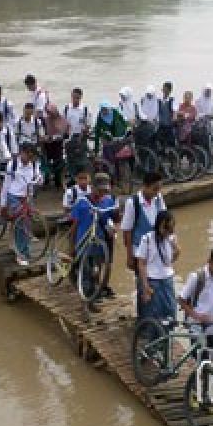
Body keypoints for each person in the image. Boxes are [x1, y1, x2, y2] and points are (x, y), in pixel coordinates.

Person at [177, 244, 213, 364]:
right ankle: (198, 381)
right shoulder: (197, 277)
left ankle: (209, 380)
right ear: (210, 262)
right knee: (201, 361)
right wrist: (197, 316)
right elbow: (181, 300)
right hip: (197, 326)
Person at [69, 172, 120, 302]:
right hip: (84, 242)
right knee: (86, 270)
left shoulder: (109, 201)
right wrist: (72, 246)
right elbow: (74, 225)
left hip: (99, 242)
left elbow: (112, 219)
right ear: (92, 188)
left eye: (105, 190)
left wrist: (114, 222)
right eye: (100, 190)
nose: (102, 193)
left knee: (97, 267)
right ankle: (88, 299)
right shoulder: (82, 202)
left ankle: (97, 288)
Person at [0, 142, 45, 266]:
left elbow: (39, 177)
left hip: (27, 197)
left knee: (24, 222)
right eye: (27, 155)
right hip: (13, 195)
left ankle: (13, 244)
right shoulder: (13, 165)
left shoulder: (35, 164)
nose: (29, 159)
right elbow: (6, 185)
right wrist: (3, 204)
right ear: (21, 153)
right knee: (21, 223)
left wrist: (40, 179)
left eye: (32, 156)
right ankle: (22, 254)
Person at [134, 210, 179, 320]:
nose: (168, 231)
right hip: (152, 280)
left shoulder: (171, 238)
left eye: (170, 228)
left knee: (170, 310)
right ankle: (153, 335)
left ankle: (167, 335)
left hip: (167, 280)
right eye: (165, 228)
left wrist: (176, 249)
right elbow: (141, 264)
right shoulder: (147, 239)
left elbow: (171, 261)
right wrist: (145, 287)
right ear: (158, 225)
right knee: (153, 313)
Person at [121, 172, 166, 272]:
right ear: (145, 186)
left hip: (157, 249)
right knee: (143, 282)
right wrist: (129, 256)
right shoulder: (132, 203)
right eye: (154, 189)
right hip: (139, 251)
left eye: (159, 189)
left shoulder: (158, 198)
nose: (157, 192)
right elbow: (127, 231)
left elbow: (164, 219)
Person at [41, 103, 69, 190]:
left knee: (58, 163)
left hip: (58, 145)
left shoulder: (63, 120)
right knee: (46, 162)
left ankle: (58, 182)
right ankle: (46, 181)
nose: (49, 114)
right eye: (48, 112)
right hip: (47, 145)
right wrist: (45, 138)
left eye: (50, 112)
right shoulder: (44, 120)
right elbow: (41, 132)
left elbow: (66, 134)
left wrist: (55, 137)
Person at [93, 100, 130, 164]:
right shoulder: (100, 116)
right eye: (102, 110)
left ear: (109, 108)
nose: (104, 112)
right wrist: (96, 150)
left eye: (105, 110)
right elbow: (97, 131)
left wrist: (125, 132)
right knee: (107, 152)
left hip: (119, 137)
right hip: (109, 138)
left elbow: (123, 122)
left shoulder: (115, 112)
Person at [156, 81, 177, 147]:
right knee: (159, 140)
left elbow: (175, 110)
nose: (164, 91)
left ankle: (172, 155)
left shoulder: (172, 100)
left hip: (169, 125)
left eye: (166, 89)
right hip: (161, 124)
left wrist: (174, 117)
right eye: (164, 89)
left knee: (171, 142)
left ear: (170, 91)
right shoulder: (159, 100)